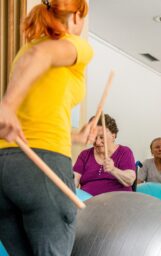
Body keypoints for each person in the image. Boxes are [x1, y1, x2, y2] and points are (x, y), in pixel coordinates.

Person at [0, 1, 95, 254]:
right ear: (76, 17)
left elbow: (38, 110)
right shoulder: (76, 46)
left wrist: (75, 136)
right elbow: (42, 55)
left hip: (5, 166)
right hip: (41, 166)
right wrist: (7, 104)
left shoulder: (26, 51)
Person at [73, 114, 136, 196]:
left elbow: (130, 180)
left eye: (102, 137)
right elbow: (73, 183)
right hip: (89, 204)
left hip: (118, 203)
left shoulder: (124, 152)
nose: (97, 142)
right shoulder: (84, 155)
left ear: (113, 136)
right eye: (95, 138)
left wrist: (113, 170)